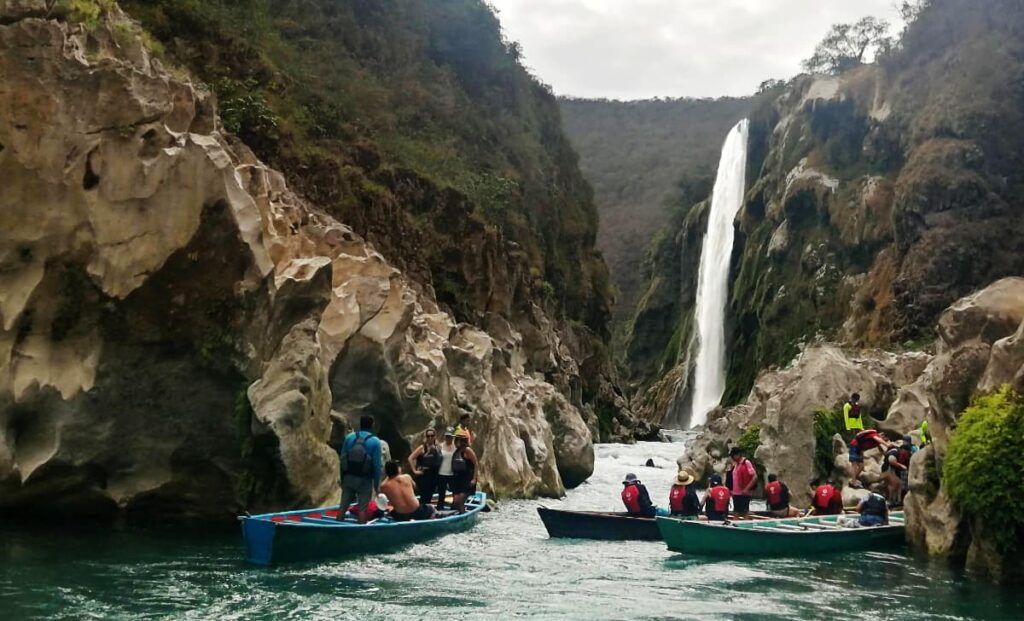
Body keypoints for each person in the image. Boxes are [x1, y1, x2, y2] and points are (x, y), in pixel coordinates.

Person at [338, 415, 383, 523]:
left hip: (348, 477)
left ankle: (337, 528)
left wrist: (342, 478)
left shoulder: (349, 437)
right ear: (372, 425)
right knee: (363, 509)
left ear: (360, 424)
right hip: (365, 481)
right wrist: (377, 486)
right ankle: (361, 530)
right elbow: (377, 466)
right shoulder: (375, 442)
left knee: (342, 507)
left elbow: (342, 459)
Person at [408, 428, 442, 507]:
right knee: (424, 496)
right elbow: (410, 458)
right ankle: (422, 511)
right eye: (428, 436)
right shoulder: (422, 448)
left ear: (435, 436)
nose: (430, 438)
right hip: (425, 475)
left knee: (430, 494)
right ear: (426, 437)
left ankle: (427, 510)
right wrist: (415, 471)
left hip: (435, 474)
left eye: (432, 436)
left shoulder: (438, 447)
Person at [450, 430, 479, 512]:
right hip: (457, 478)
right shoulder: (456, 451)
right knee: (455, 501)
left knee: (460, 501)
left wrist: (474, 479)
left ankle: (463, 516)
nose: (456, 442)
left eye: (457, 439)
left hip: (467, 479)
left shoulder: (468, 450)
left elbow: (476, 464)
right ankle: (454, 516)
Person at [729, 446, 757, 515]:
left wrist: (747, 488)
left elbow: (755, 476)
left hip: (743, 493)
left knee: (745, 512)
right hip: (735, 494)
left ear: (738, 455)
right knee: (736, 512)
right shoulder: (736, 465)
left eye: (733, 456)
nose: (732, 458)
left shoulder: (746, 462)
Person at [882, 439, 912, 505]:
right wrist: (900, 465)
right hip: (886, 470)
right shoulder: (895, 451)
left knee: (899, 484)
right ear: (903, 449)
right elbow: (891, 460)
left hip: (891, 470)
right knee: (895, 483)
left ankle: (895, 500)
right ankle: (889, 500)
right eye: (907, 451)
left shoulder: (902, 454)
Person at [437, 427, 457, 509]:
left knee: (454, 492)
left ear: (453, 437)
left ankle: (454, 508)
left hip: (452, 473)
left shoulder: (456, 447)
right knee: (441, 493)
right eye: (447, 436)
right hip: (441, 473)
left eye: (450, 436)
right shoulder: (440, 446)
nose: (448, 438)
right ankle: (439, 508)